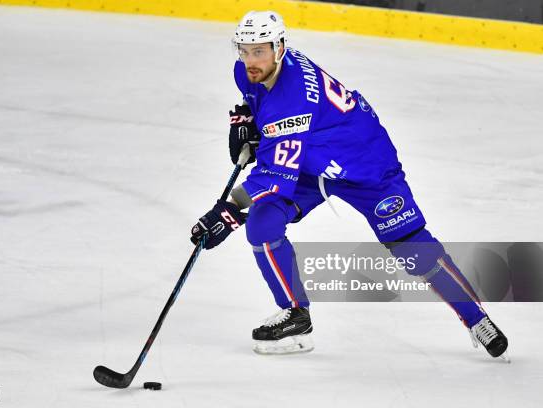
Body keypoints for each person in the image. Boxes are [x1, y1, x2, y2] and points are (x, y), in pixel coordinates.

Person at [190, 10, 508, 359]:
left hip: (365, 163)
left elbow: (271, 175)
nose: (251, 60)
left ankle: (476, 318)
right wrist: (247, 118)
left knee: (411, 247)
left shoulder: (291, 100)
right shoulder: (250, 73)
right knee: (265, 223)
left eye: (260, 51)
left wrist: (230, 209)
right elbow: (263, 112)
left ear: (280, 48)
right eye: (245, 50)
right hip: (312, 162)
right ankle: (296, 313)